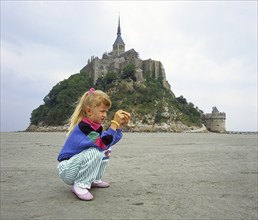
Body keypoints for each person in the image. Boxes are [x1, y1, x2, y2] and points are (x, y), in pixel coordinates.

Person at [57, 88, 130, 201]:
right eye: (102, 111)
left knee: (106, 150)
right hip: (67, 169)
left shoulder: (96, 127)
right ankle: (80, 185)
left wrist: (119, 128)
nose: (105, 115)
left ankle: (93, 179)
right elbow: (101, 143)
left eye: (106, 111)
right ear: (89, 111)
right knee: (95, 151)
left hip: (76, 165)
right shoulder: (84, 127)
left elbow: (106, 144)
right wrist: (114, 123)